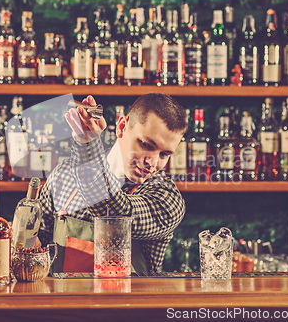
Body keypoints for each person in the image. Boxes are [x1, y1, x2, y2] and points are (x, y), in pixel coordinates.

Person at [37, 93, 188, 272]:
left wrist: (88, 146)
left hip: (128, 300)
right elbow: (37, 246)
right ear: (122, 127)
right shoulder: (64, 174)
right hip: (64, 299)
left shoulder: (166, 198)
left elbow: (114, 213)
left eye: (164, 155)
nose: (153, 162)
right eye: (146, 145)